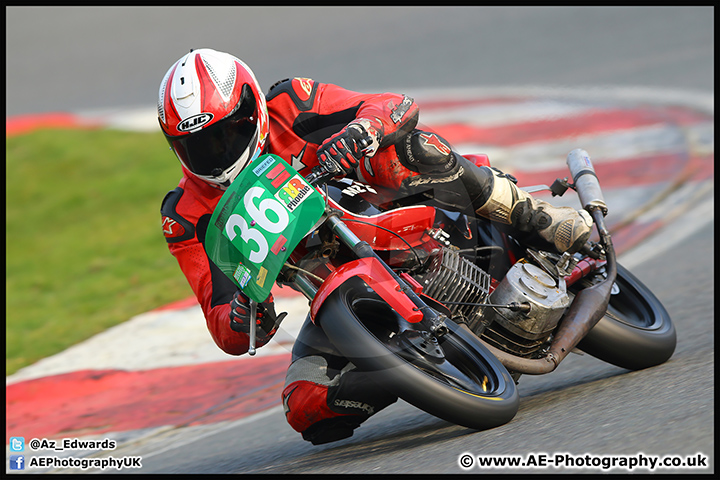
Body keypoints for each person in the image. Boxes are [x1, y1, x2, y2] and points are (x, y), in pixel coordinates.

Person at [159, 48, 592, 444]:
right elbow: (222, 323)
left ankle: (540, 220)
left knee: (401, 147)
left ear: (251, 108)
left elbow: (395, 105)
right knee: (306, 406)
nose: (216, 153)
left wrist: (360, 132)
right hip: (338, 289)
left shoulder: (293, 102)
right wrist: (242, 315)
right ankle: (419, 367)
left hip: (404, 213)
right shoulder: (186, 214)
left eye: (226, 134)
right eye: (196, 146)